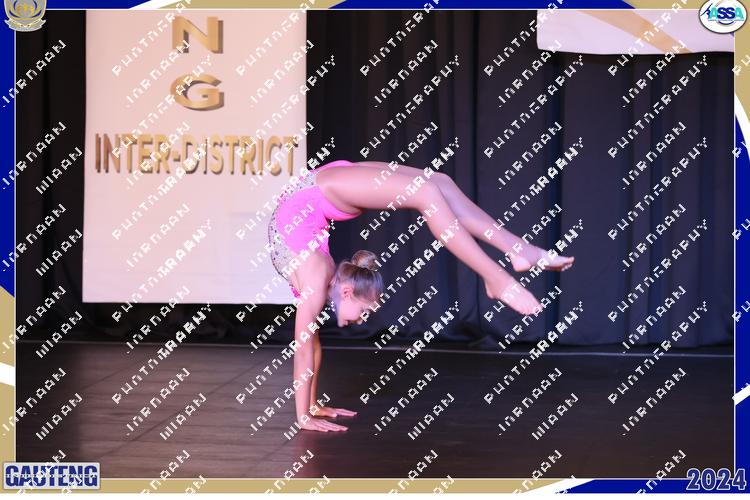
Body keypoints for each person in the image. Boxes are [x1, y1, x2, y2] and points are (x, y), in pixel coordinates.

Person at [266, 159, 574, 432]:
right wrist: (309, 408)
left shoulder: (316, 279)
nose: (362, 319)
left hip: (320, 190)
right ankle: (519, 252)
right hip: (316, 189)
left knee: (434, 187)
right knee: (436, 185)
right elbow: (311, 346)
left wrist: (304, 416)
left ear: (347, 291)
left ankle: (499, 275)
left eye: (363, 312)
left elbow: (304, 351)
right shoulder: (320, 279)